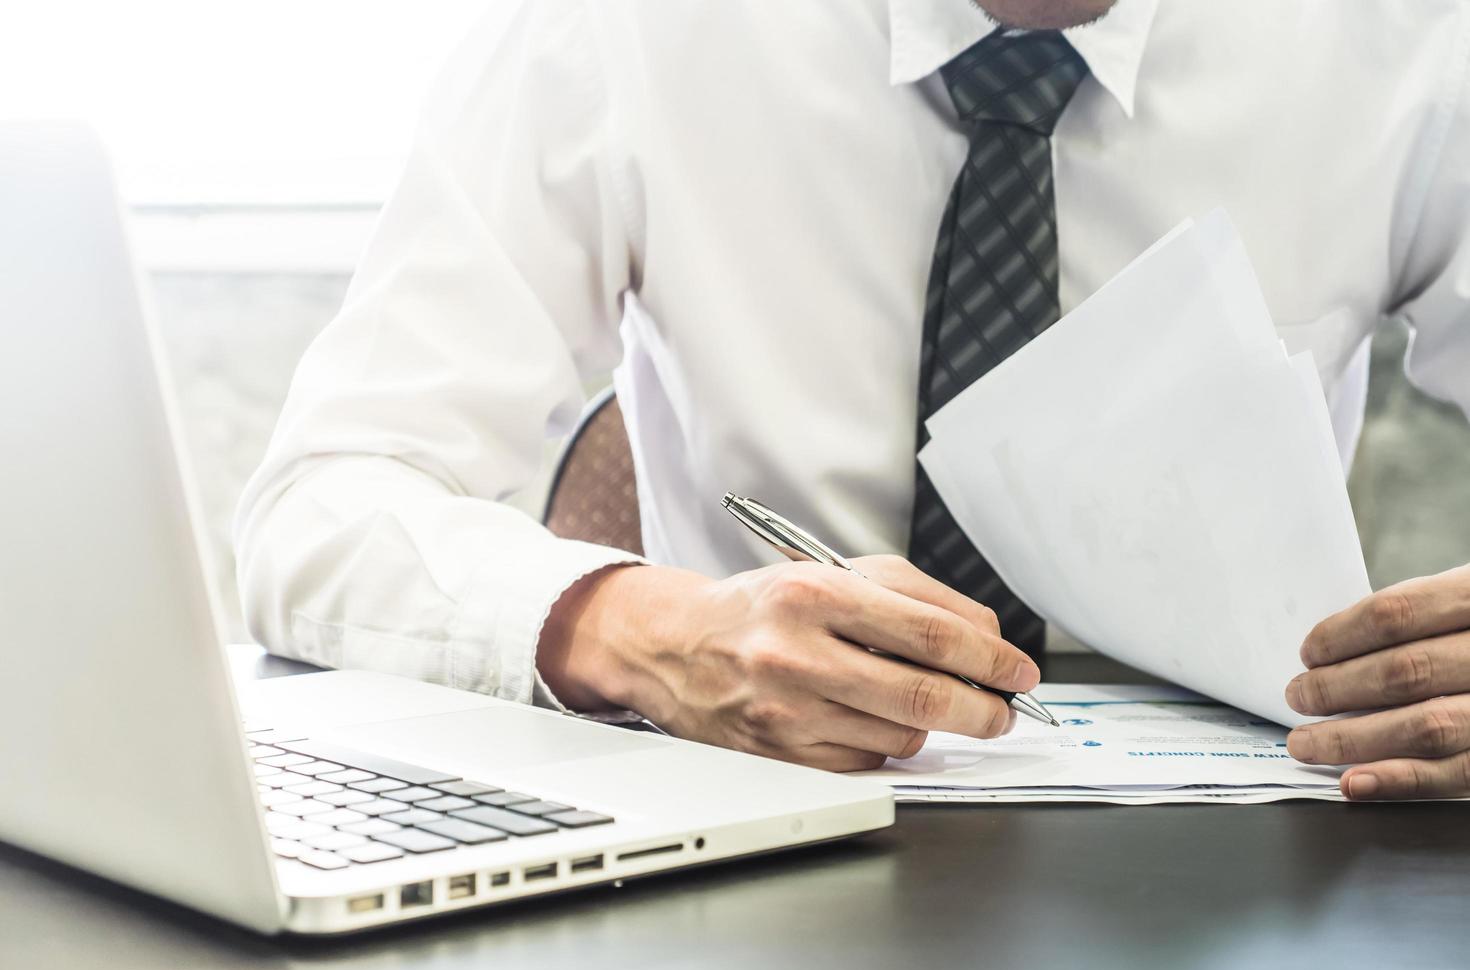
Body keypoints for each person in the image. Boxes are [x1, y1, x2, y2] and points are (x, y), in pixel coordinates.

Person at [236, 0, 1470, 798]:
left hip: (1274, 847)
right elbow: (320, 505)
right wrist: (645, 632)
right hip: (760, 816)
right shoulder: (616, 34)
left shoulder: (1408, 42)